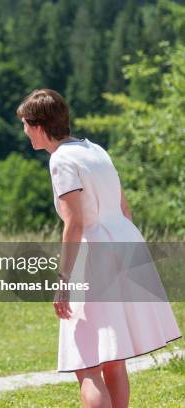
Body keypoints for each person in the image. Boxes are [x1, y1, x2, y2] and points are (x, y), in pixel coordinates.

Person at [17, 88, 181, 408]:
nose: (24, 132)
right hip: (124, 245)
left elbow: (74, 223)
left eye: (25, 124)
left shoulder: (61, 160)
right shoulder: (96, 150)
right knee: (113, 358)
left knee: (87, 364)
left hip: (93, 255)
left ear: (37, 126)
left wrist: (64, 281)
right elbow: (124, 210)